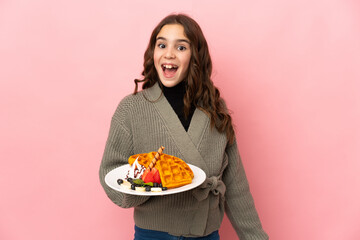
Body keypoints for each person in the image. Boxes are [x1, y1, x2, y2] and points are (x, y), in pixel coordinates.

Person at [99, 13, 269, 240]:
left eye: (181, 47)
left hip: (207, 234)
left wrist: (256, 237)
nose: (168, 53)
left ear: (195, 56)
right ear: (153, 53)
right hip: (154, 235)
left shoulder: (215, 109)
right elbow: (110, 173)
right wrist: (147, 184)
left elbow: (236, 186)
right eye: (161, 45)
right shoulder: (131, 109)